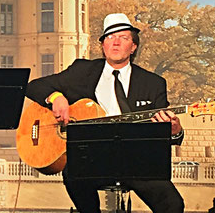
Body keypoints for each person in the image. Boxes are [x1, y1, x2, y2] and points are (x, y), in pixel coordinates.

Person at [26, 13, 184, 213]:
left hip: (136, 163)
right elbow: (33, 86)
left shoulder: (153, 83)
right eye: (110, 38)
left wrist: (174, 130)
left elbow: (166, 136)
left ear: (133, 46)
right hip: (90, 161)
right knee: (74, 171)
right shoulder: (81, 71)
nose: (115, 42)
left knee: (173, 204)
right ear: (103, 46)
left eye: (123, 38)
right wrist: (56, 97)